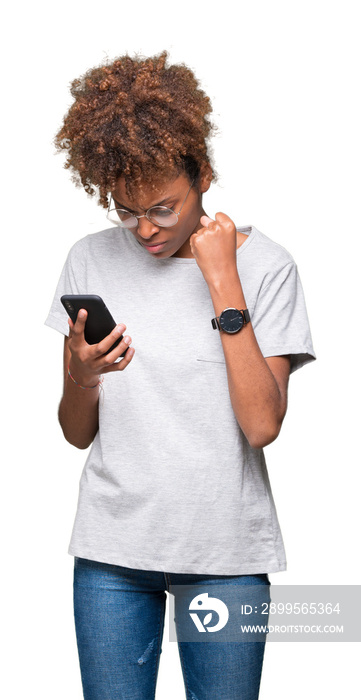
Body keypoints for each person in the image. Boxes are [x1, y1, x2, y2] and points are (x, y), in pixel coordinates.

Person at [45, 51, 316, 700]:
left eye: (163, 208)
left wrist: (220, 278)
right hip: (111, 556)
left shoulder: (267, 267)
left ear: (203, 175)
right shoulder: (88, 260)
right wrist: (83, 376)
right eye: (126, 209)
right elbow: (75, 433)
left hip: (224, 555)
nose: (144, 229)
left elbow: (260, 424)